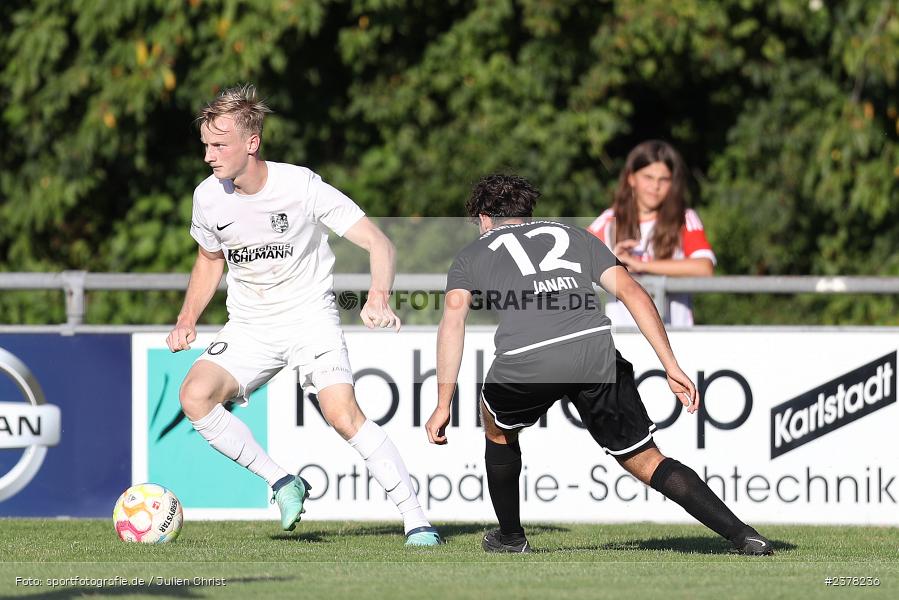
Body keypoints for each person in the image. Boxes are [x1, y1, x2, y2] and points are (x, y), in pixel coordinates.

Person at [425, 174, 771, 555]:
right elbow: (633, 293)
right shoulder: (575, 235)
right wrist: (670, 365)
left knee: (495, 424)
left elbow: (452, 323)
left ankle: (511, 538)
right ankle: (744, 535)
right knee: (646, 458)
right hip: (595, 351)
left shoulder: (472, 253)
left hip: (529, 357)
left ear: (484, 218)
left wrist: (443, 404)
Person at [166, 84, 440, 546]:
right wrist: (186, 318)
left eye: (219, 145)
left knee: (342, 414)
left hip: (310, 319)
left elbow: (379, 243)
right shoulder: (207, 197)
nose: (209, 156)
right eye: (206, 145)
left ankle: (417, 521)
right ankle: (281, 481)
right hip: (251, 326)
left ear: (252, 143)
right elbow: (209, 260)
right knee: (195, 395)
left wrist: (378, 297)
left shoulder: (301, 186)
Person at [588, 140, 715, 326]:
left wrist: (642, 265)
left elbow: (704, 268)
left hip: (673, 334)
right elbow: (572, 265)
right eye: (648, 177)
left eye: (664, 179)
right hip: (621, 336)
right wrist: (612, 262)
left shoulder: (685, 218)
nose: (655, 186)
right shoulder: (608, 220)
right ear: (631, 178)